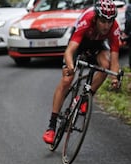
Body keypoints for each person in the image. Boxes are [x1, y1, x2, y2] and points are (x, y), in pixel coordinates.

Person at [42, 0, 121, 144]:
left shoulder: (114, 28)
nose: (106, 26)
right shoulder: (87, 20)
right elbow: (69, 51)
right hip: (80, 41)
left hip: (97, 44)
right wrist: (71, 67)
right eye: (103, 21)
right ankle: (51, 127)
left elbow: (115, 60)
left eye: (110, 21)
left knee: (105, 65)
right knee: (67, 80)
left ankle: (85, 97)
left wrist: (114, 78)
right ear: (96, 18)